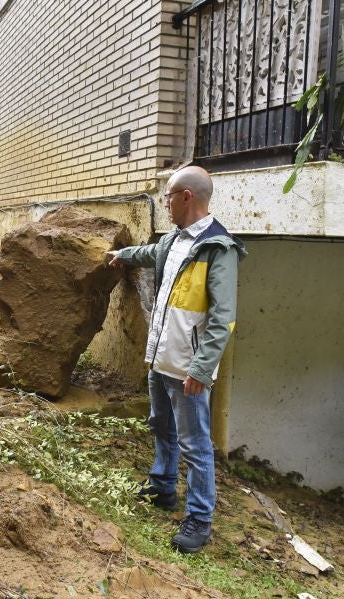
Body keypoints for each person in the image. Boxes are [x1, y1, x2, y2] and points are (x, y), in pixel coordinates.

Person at [107, 166, 246, 553]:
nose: (164, 202)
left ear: (187, 197)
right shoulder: (175, 241)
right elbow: (150, 254)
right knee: (161, 428)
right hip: (161, 360)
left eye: (167, 195)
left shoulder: (219, 249)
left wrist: (202, 369)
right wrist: (122, 254)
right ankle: (162, 487)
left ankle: (199, 519)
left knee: (196, 445)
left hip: (187, 369)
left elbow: (223, 319)